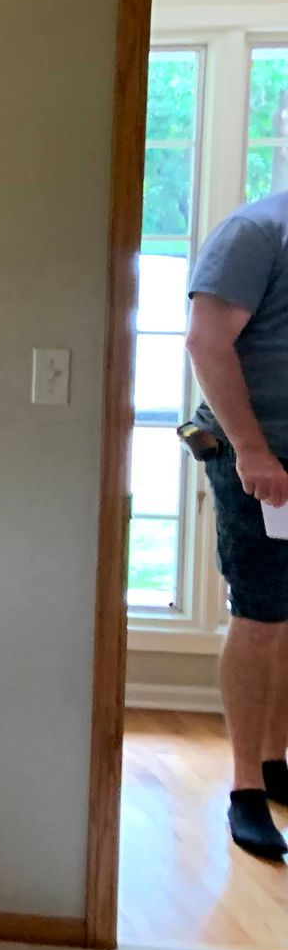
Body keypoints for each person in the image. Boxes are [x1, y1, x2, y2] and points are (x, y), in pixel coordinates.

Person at [186, 190, 288, 861]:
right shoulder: (256, 232)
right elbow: (206, 341)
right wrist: (252, 449)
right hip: (261, 457)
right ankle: (246, 788)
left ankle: (277, 763)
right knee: (260, 613)